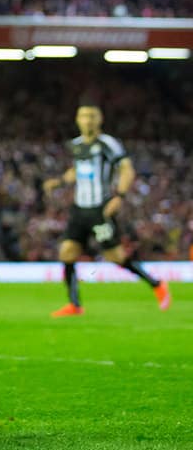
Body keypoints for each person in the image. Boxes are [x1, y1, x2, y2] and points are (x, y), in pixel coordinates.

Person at [43, 102, 170, 317]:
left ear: (99, 119)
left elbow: (127, 169)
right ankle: (75, 304)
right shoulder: (76, 145)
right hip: (79, 209)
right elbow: (78, 170)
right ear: (78, 119)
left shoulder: (108, 144)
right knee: (67, 252)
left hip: (99, 209)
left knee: (116, 256)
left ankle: (157, 284)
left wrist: (119, 196)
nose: (88, 120)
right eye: (84, 116)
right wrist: (59, 182)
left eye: (92, 116)